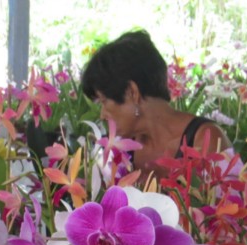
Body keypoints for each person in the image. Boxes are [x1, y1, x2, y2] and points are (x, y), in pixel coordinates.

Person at [80, 30, 231, 178]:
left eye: (104, 101)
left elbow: (232, 202)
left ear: (132, 92)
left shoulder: (206, 140)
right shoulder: (120, 146)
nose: (102, 114)